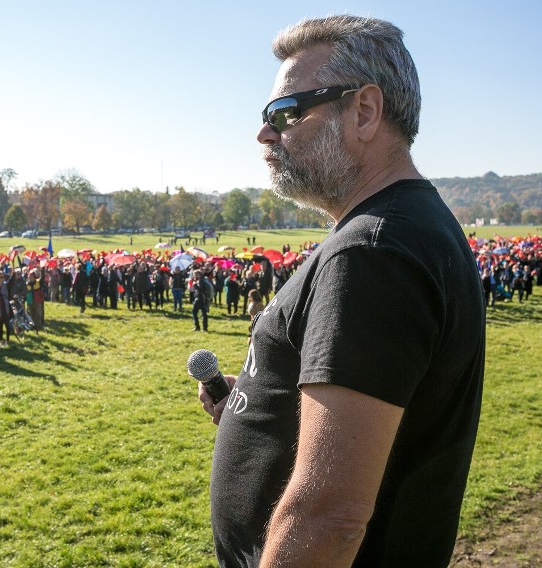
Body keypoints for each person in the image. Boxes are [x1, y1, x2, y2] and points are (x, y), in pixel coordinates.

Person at [198, 16, 485, 567]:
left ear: (365, 111)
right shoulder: (404, 227)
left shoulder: (373, 251)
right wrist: (260, 400)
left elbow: (329, 516)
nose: (265, 133)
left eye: (285, 113)